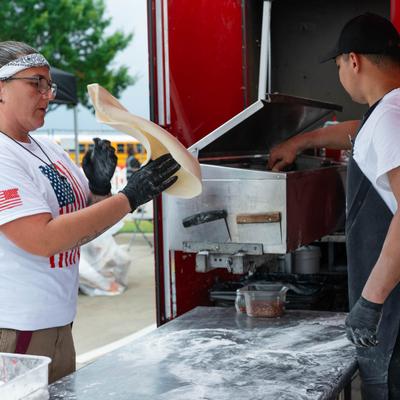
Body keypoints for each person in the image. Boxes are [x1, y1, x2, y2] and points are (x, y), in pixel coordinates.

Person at [0, 41, 180, 383]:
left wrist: (99, 190)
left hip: (57, 323)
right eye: (35, 83)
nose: (47, 95)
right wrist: (130, 196)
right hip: (16, 330)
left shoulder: (46, 147)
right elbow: (42, 239)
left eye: (48, 85)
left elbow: (81, 226)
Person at [268, 13, 400, 399]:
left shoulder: (390, 118)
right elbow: (361, 131)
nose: (341, 71)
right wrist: (301, 142)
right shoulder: (389, 111)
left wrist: (370, 302)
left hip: (393, 316)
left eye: (339, 63)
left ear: (353, 60)